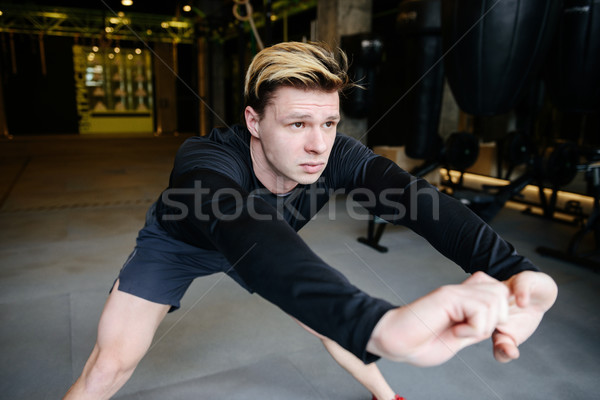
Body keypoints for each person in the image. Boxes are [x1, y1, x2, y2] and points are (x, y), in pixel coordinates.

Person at [64, 41, 558, 400]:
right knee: (109, 366)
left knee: (330, 323)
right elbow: (239, 222)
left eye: (328, 123)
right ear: (254, 122)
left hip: (269, 249)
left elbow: (420, 202)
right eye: (297, 124)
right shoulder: (206, 162)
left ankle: (387, 397)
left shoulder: (337, 154)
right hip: (180, 246)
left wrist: (513, 271)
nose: (318, 144)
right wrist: (377, 323)